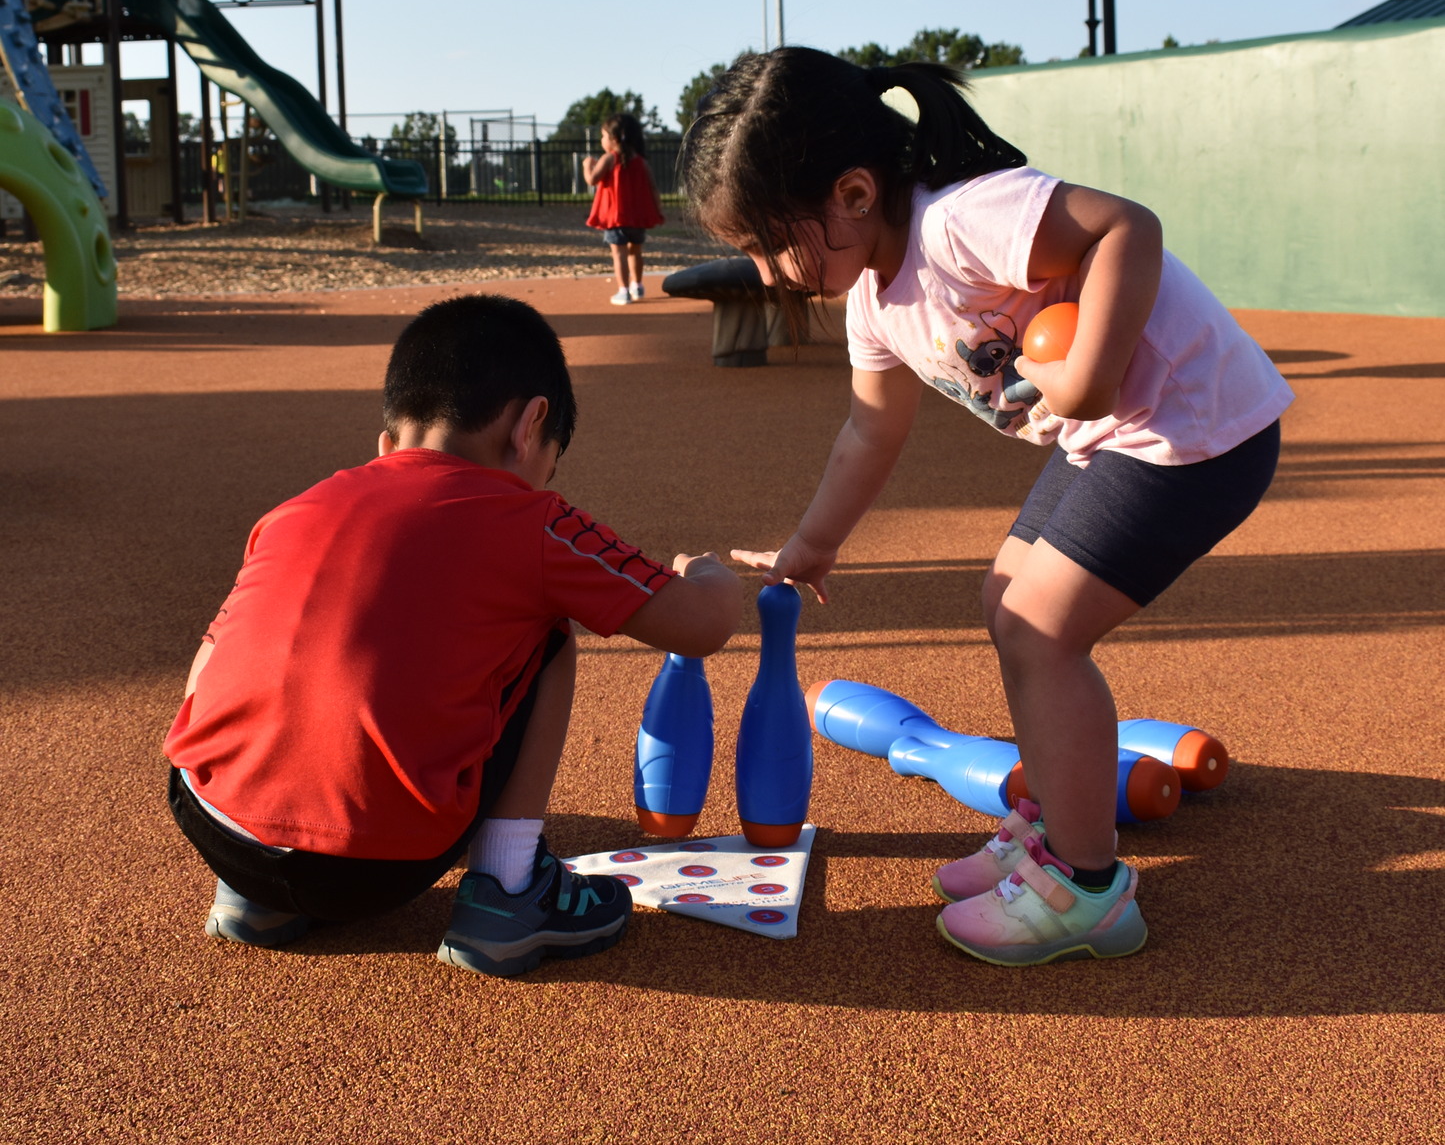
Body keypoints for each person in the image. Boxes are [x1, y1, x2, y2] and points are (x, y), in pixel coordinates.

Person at [680, 48, 1292, 967]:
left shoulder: (962, 221)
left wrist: (1085, 375)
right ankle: (1050, 823)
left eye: (769, 242)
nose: (766, 273)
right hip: (1112, 438)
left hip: (1196, 428)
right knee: (1003, 600)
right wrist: (811, 544)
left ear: (852, 192)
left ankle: (1086, 888)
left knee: (1043, 627)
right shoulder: (871, 303)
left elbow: (1125, 226)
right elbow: (867, 432)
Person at [164, 294, 741, 977]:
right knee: (548, 632)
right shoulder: (531, 521)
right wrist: (707, 570)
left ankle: (255, 898)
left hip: (210, 824)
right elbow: (701, 624)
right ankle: (508, 890)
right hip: (376, 866)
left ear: (387, 442)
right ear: (531, 427)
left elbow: (209, 664)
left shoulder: (292, 511)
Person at [583, 112, 664, 305]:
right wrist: (658, 211)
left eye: (604, 136)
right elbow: (654, 190)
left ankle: (624, 291)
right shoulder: (642, 162)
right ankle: (638, 285)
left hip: (615, 218)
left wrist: (587, 166)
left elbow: (592, 180)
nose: (602, 140)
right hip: (637, 220)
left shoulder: (609, 159)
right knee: (636, 251)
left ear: (614, 138)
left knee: (619, 254)